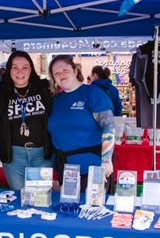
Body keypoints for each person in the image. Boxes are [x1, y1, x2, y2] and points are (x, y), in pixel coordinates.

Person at [47, 54, 115, 191]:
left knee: (92, 211)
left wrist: (106, 161)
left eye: (65, 70)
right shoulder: (55, 101)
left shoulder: (92, 93)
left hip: (93, 170)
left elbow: (108, 126)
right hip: (66, 171)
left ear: (76, 71)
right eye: (57, 73)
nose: (61, 75)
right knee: (68, 210)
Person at [0, 50, 52, 190]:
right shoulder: (2, 92)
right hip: (14, 157)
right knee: (20, 199)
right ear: (9, 70)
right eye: (15, 67)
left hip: (42, 155)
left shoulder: (44, 88)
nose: (20, 71)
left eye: (25, 67)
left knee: (41, 199)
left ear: (31, 69)